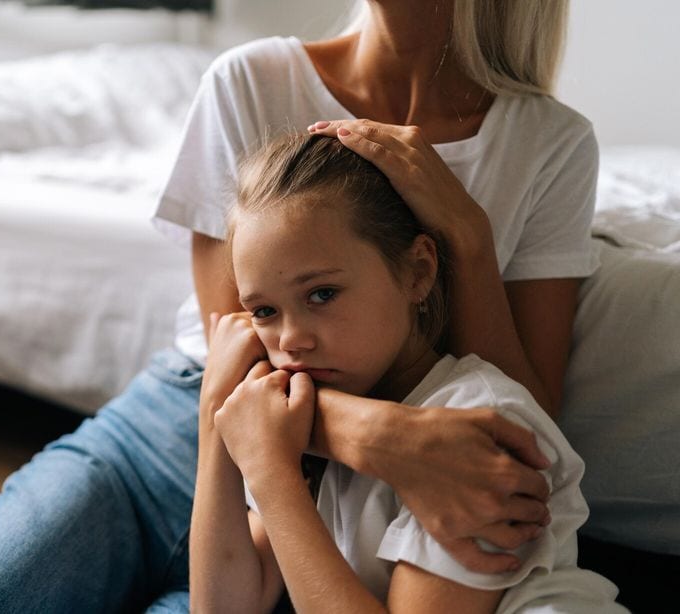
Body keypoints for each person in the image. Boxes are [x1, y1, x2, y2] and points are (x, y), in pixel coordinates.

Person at [0, 1, 601, 612]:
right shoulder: (253, 78)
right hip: (181, 431)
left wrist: (466, 233)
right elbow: (235, 345)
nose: (295, 322)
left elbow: (529, 412)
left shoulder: (550, 140)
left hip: (329, 513)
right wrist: (375, 437)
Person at [190, 132, 622, 613]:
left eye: (322, 294)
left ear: (417, 271)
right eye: (265, 311)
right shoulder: (301, 421)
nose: (291, 341)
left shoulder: (480, 420)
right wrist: (215, 414)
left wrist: (272, 474)